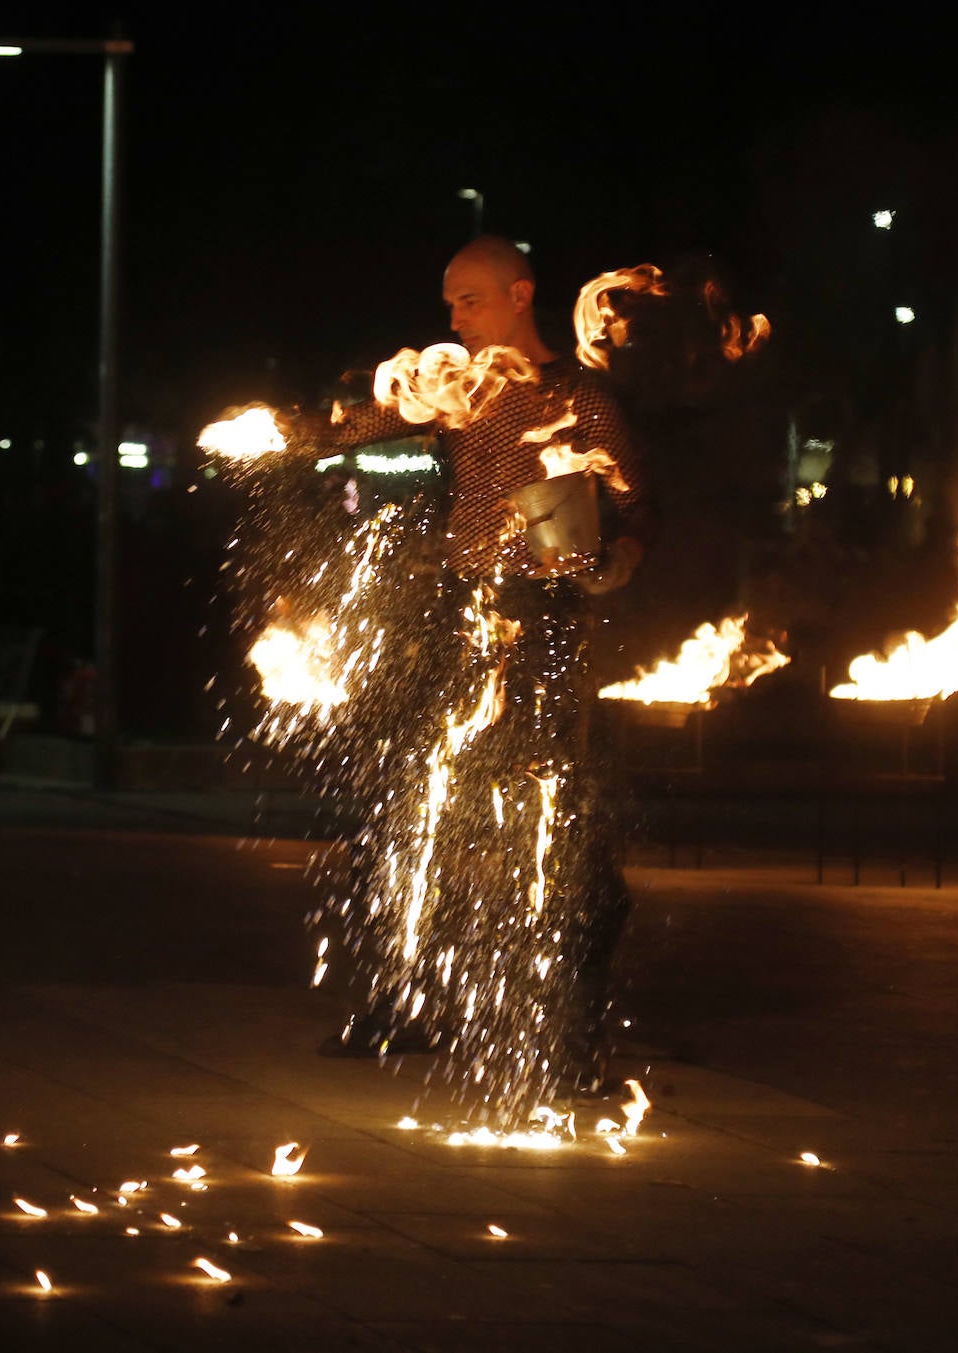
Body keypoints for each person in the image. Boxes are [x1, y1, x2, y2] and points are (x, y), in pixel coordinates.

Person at [299, 236, 657, 1105]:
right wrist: (292, 434)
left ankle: (568, 1031)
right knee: (417, 806)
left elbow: (637, 507)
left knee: (550, 820)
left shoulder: (580, 396)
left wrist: (614, 558)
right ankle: (402, 1000)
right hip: (462, 613)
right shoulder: (457, 384)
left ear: (520, 294)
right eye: (449, 301)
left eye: (469, 299)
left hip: (545, 623)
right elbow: (368, 424)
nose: (453, 317)